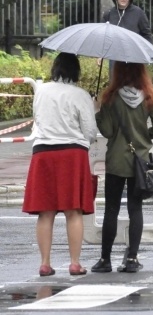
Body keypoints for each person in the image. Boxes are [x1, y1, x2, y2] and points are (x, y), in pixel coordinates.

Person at [23, 53, 97, 277]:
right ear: (76, 72)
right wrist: (94, 106)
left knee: (45, 213)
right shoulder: (81, 95)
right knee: (73, 211)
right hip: (72, 154)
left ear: (54, 69)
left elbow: (38, 119)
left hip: (43, 153)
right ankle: (75, 263)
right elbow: (90, 133)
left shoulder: (41, 91)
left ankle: (45, 263)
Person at [93, 62, 153, 273]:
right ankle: (132, 258)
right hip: (139, 160)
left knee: (111, 209)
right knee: (135, 209)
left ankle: (105, 260)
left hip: (116, 160)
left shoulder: (110, 97)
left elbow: (107, 131)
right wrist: (144, 137)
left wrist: (99, 111)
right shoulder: (149, 96)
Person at [99, 0, 153, 74]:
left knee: (133, 83)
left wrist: (147, 53)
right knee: (115, 82)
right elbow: (103, 36)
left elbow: (146, 34)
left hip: (134, 55)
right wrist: (100, 54)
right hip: (115, 55)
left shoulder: (138, 13)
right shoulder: (109, 14)